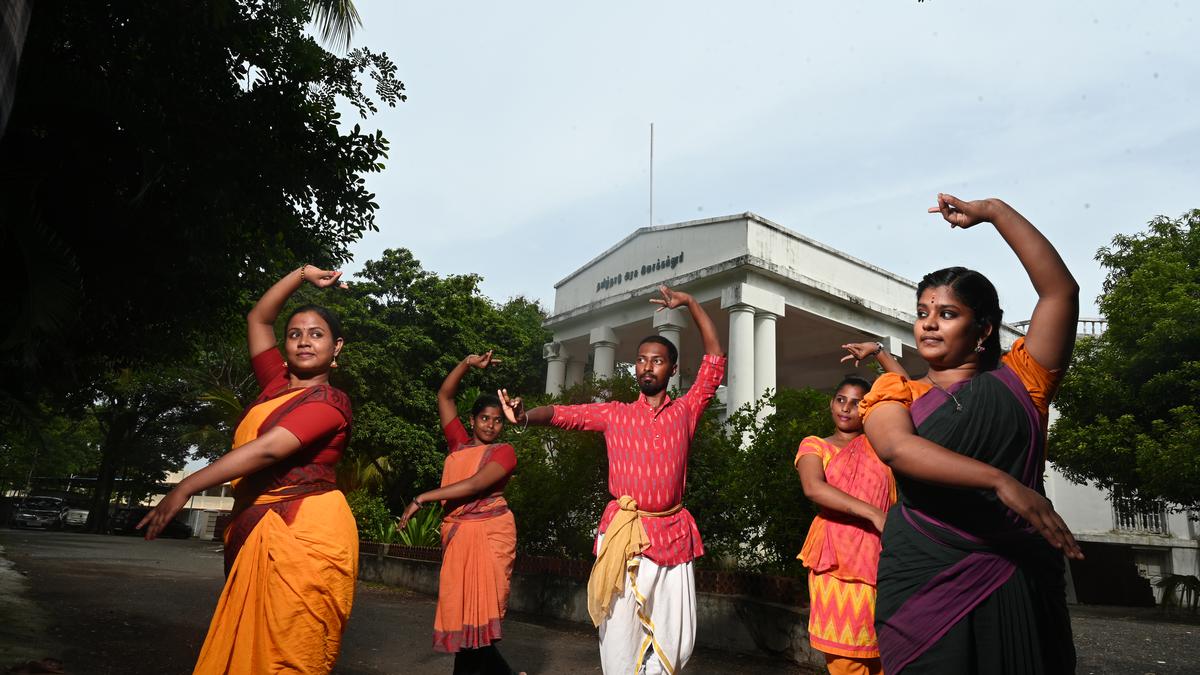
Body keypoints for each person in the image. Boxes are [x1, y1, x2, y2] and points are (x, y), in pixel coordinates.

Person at [861, 194, 1083, 674]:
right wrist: (1001, 482)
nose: (929, 325)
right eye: (923, 313)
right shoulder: (896, 390)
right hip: (925, 578)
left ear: (983, 329)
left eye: (947, 314)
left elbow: (1061, 292)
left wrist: (995, 211)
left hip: (1017, 570)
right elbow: (897, 448)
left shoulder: (1024, 381)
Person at [138, 265, 357, 675]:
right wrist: (302, 274)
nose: (304, 341)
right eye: (295, 334)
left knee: (289, 655)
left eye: (316, 334)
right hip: (254, 527)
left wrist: (187, 485)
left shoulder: (331, 401)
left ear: (336, 346)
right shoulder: (275, 387)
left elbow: (270, 449)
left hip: (305, 533)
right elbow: (259, 318)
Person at [498, 285, 725, 675]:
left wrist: (690, 303)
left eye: (656, 361)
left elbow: (715, 359)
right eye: (640, 360)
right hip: (622, 533)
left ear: (671, 369)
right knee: (619, 637)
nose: (646, 367)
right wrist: (524, 416)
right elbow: (564, 413)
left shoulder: (686, 411)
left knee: (679, 642)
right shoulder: (616, 414)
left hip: (673, 533)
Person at [398, 351, 523, 675]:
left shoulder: (504, 452)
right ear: (472, 420)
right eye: (485, 418)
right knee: (468, 625)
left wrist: (422, 497)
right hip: (459, 537)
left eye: (497, 420)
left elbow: (475, 484)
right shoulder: (459, 445)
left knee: (479, 626)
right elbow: (444, 394)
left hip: (491, 535)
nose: (492, 425)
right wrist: (467, 364)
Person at [795, 342, 907, 675]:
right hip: (835, 562)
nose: (846, 408)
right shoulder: (815, 445)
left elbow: (906, 391)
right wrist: (873, 513)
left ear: (869, 408)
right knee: (847, 662)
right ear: (831, 403)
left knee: (890, 658)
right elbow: (814, 487)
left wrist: (878, 353)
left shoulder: (881, 445)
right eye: (840, 400)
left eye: (857, 403)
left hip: (881, 558)